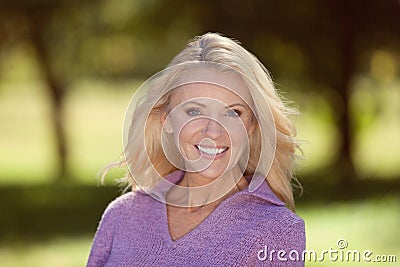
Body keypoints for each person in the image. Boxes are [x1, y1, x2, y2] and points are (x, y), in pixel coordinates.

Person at [87, 32, 305, 266]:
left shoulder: (276, 230)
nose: (213, 132)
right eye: (194, 111)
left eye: (233, 112)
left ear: (253, 124)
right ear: (167, 120)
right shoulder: (122, 216)